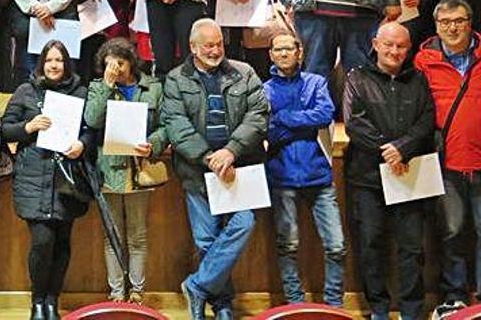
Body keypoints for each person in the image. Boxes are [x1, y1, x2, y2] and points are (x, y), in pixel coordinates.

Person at [161, 18, 268, 320]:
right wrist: (210, 157)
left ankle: (196, 285)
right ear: (193, 47)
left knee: (244, 224)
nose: (215, 50)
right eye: (208, 45)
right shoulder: (175, 79)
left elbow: (259, 116)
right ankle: (221, 305)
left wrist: (230, 151)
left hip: (239, 169)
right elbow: (176, 126)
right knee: (206, 241)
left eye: (219, 43)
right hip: (198, 172)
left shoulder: (244, 72)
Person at [344, 22, 434, 320]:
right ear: (375, 44)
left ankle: (411, 311)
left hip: (409, 175)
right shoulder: (356, 77)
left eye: (401, 46)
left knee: (411, 249)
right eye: (389, 45)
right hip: (367, 178)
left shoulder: (419, 79)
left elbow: (427, 119)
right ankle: (378, 310)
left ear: (409, 48)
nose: (395, 51)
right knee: (371, 246)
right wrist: (388, 149)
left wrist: (403, 149)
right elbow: (355, 122)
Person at [1, 40, 94, 320]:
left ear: (67, 64)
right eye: (50, 60)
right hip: (33, 175)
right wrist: (28, 127)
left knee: (63, 241)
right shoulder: (25, 91)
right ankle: (37, 300)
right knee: (42, 241)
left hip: (68, 178)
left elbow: (91, 130)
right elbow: (5, 130)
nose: (55, 65)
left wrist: (82, 144)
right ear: (42, 63)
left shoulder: (80, 92)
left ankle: (53, 300)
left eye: (60, 61)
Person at [84, 37, 167, 305]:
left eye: (119, 63)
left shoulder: (152, 87)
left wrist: (153, 144)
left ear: (131, 62)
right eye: (109, 64)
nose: (115, 69)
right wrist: (107, 85)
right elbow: (92, 120)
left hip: (139, 168)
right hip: (108, 169)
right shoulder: (98, 87)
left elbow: (165, 125)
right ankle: (117, 293)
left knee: (138, 234)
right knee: (113, 235)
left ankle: (137, 293)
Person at [263, 32, 344, 307]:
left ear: (300, 52)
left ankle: (334, 305)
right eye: (279, 49)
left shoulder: (316, 82)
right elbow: (269, 131)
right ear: (271, 54)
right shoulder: (264, 90)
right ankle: (295, 304)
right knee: (288, 246)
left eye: (289, 48)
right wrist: (302, 126)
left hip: (319, 174)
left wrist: (285, 118)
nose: (284, 54)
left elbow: (325, 114)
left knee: (336, 246)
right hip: (281, 175)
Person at [413, 0, 481, 319]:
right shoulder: (423, 61)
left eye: (459, 21)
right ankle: (455, 296)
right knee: (452, 231)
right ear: (436, 25)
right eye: (445, 22)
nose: (452, 28)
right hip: (446, 163)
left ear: (470, 22)